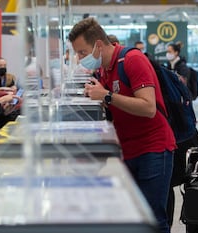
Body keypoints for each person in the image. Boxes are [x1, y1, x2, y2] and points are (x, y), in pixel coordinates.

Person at [68, 17, 176, 233]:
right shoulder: (105, 69)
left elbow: (148, 108)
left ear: (98, 45)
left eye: (82, 52)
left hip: (153, 148)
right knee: (134, 216)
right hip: (129, 149)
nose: (80, 59)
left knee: (153, 219)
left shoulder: (132, 60)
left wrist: (107, 96)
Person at [165, 41, 198, 228]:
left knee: (174, 182)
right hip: (183, 134)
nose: (168, 54)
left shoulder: (181, 69)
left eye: (169, 51)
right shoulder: (169, 70)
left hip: (183, 138)